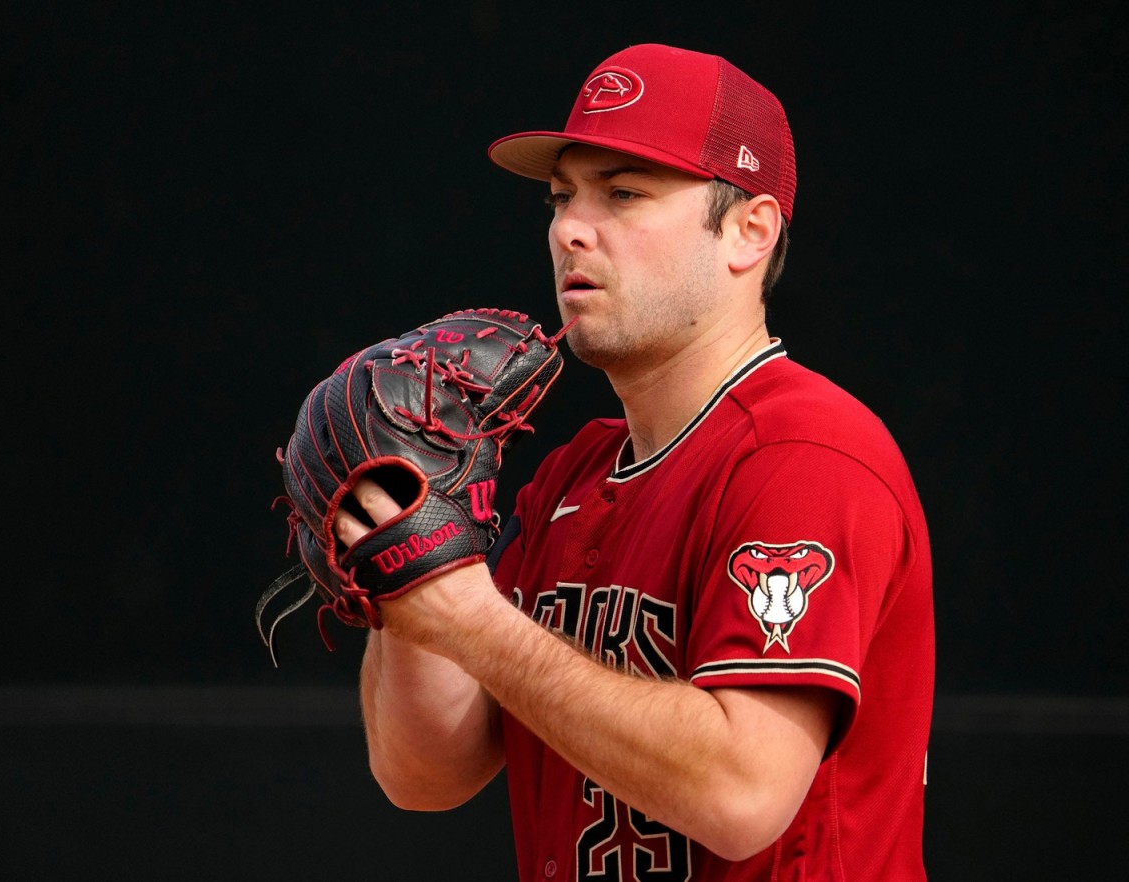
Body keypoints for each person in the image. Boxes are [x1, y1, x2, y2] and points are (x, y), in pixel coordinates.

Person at [334, 43, 935, 881]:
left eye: (623, 193)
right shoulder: (574, 473)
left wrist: (472, 620)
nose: (569, 229)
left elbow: (741, 794)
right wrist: (415, 576)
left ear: (749, 232)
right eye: (561, 197)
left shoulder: (804, 456)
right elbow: (425, 775)